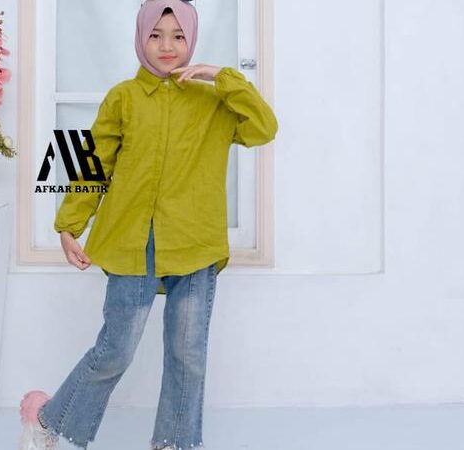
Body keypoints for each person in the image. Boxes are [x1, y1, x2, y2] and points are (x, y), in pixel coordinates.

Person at [18, 1, 278, 449]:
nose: (166, 46)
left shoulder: (215, 101)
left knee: (187, 354)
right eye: (155, 35)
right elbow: (94, 164)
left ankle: (173, 442)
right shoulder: (122, 97)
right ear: (140, 37)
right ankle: (47, 420)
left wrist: (223, 76)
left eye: (178, 35)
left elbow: (264, 128)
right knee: (115, 349)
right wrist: (69, 225)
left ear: (192, 39)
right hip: (132, 243)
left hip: (195, 242)